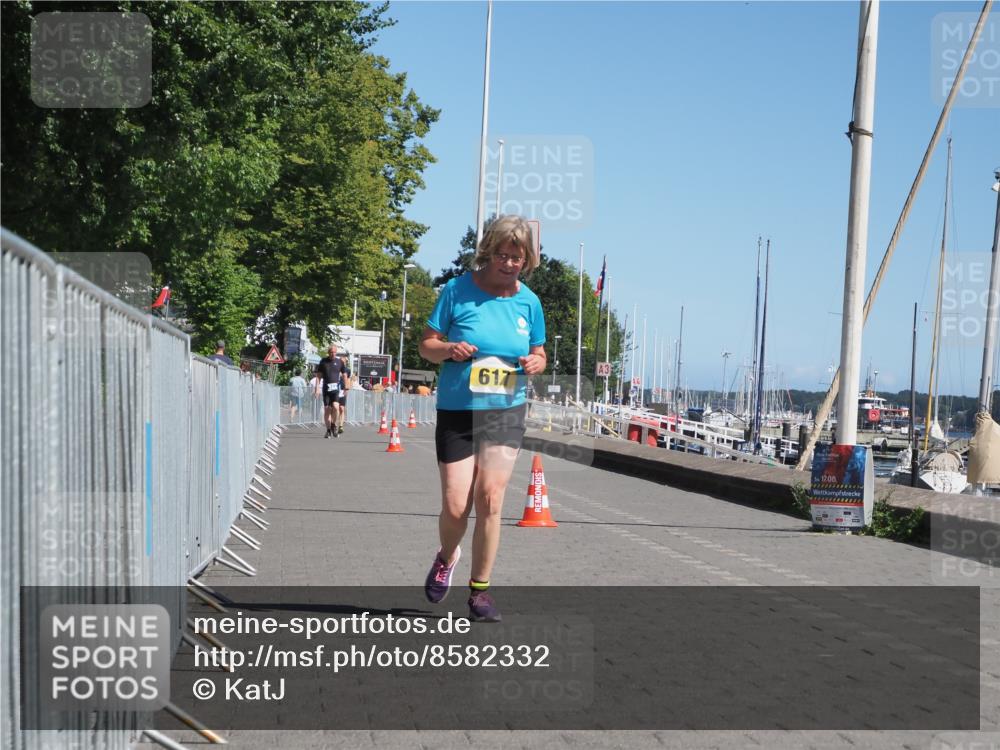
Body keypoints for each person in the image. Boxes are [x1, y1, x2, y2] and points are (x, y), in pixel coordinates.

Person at [418, 215, 546, 623]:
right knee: (456, 506)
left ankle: (480, 591)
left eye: (517, 258)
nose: (509, 264)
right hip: (458, 410)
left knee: (490, 497)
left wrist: (536, 362)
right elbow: (426, 346)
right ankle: (446, 556)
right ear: (489, 253)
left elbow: (540, 353)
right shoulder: (456, 290)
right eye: (502, 256)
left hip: (505, 410)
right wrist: (449, 349)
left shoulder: (529, 302)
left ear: (527, 260)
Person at [315, 345, 347, 438]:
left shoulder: (339, 362)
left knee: (336, 407)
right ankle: (328, 430)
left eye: (334, 352)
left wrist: (346, 387)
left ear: (336, 352)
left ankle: (333, 425)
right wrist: (317, 388)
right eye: (331, 352)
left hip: (335, 389)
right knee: (327, 409)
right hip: (326, 389)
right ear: (328, 353)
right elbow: (318, 376)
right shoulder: (323, 361)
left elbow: (344, 374)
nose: (333, 354)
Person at [336, 356, 352, 435]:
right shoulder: (335, 369)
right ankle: (334, 424)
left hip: (343, 390)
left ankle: (341, 426)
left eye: (343, 362)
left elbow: (348, 380)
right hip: (335, 390)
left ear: (345, 363)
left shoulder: (347, 370)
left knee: (342, 408)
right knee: (336, 408)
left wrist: (347, 389)